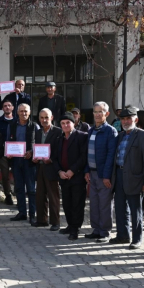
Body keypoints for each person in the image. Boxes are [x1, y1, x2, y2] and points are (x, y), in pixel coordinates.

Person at [111, 106, 144, 249]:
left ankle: (137, 239)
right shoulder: (120, 136)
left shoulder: (143, 135)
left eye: (128, 118)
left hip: (136, 178)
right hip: (119, 176)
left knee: (136, 211)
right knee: (120, 208)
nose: (125, 121)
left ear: (135, 119)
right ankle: (122, 235)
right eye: (123, 118)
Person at [83, 102, 118, 242]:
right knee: (94, 203)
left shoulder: (110, 131)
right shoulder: (91, 130)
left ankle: (105, 232)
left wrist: (106, 176)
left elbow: (111, 155)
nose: (97, 114)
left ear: (107, 114)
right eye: (95, 111)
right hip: (92, 173)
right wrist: (86, 171)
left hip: (103, 175)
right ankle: (96, 229)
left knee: (105, 204)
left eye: (101, 112)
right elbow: (88, 153)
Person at [54, 112, 89, 240]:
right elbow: (55, 157)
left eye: (68, 122)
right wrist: (59, 171)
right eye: (62, 123)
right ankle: (70, 225)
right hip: (63, 177)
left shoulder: (82, 136)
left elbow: (83, 156)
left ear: (73, 123)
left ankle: (75, 229)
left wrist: (72, 171)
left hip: (77, 177)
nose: (65, 125)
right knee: (67, 204)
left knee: (77, 204)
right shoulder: (59, 138)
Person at [8, 103, 39, 223]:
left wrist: (32, 151)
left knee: (31, 189)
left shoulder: (34, 126)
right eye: (21, 111)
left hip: (29, 162)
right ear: (17, 112)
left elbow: (38, 143)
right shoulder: (12, 125)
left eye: (26, 111)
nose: (23, 113)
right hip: (16, 161)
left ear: (30, 112)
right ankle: (22, 213)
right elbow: (7, 140)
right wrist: (8, 152)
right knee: (19, 188)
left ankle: (32, 214)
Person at [33, 108, 63, 231]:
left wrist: (51, 159)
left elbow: (60, 150)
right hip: (40, 166)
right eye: (42, 118)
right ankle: (42, 220)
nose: (44, 120)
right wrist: (34, 157)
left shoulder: (58, 131)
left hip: (52, 167)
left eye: (46, 117)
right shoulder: (38, 132)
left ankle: (55, 222)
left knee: (53, 195)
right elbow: (38, 148)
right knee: (40, 194)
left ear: (52, 117)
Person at [0, 99, 16, 206]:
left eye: (9, 105)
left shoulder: (18, 120)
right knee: (5, 176)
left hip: (16, 152)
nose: (7, 107)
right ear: (2, 108)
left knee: (18, 175)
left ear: (12, 107)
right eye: (5, 106)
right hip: (3, 153)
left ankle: (19, 196)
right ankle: (8, 195)